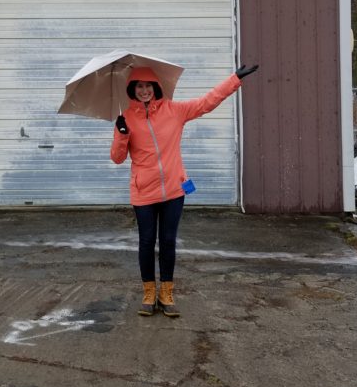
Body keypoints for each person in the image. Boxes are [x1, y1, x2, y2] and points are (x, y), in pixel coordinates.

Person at [110, 63, 259, 317]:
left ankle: (166, 293)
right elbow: (117, 158)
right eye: (139, 86)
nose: (144, 90)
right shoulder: (126, 119)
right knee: (147, 243)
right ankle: (149, 293)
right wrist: (122, 134)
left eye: (148, 86)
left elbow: (207, 102)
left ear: (155, 87)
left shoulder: (174, 111)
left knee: (167, 242)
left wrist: (234, 79)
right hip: (143, 193)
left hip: (173, 192)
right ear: (132, 89)